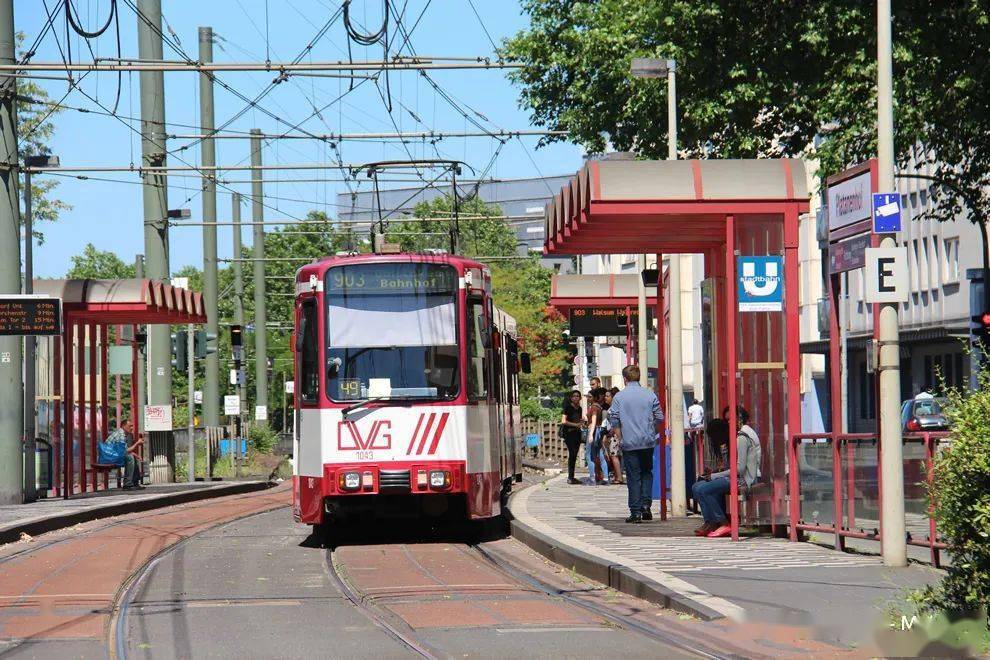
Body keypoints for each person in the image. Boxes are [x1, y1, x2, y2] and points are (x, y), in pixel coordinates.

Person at [691, 406, 761, 538]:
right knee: (697, 486)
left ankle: (723, 522)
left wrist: (715, 476)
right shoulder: (738, 435)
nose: (728, 423)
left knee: (705, 489)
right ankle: (711, 521)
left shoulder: (742, 437)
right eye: (727, 420)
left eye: (731, 419)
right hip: (738, 476)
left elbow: (740, 468)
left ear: (740, 418)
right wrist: (716, 473)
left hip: (745, 478)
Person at [608, 365, 664, 523]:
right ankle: (646, 506)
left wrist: (620, 437)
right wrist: (651, 429)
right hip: (647, 441)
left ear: (625, 379)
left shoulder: (619, 397)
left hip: (629, 442)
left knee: (633, 476)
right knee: (647, 472)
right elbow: (659, 416)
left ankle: (635, 511)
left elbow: (614, 419)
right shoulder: (649, 394)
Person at [585, 388, 609, 484]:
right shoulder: (599, 406)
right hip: (598, 431)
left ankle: (592, 478)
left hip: (593, 430)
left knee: (589, 455)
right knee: (600, 454)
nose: (588, 398)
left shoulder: (594, 407)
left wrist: (590, 434)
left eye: (590, 397)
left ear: (595, 397)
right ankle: (606, 478)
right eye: (588, 396)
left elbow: (594, 420)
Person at [560, 391, 585, 484]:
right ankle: (570, 477)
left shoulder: (580, 409)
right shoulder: (567, 408)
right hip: (569, 433)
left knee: (574, 454)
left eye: (578, 396)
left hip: (577, 434)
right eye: (574, 396)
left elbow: (578, 420)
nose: (576, 398)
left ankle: (572, 477)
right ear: (571, 398)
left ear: (580, 398)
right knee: (572, 453)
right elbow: (563, 421)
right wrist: (575, 424)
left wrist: (581, 422)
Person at [601, 390, 624, 484]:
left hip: (614, 435)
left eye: (607, 396)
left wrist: (610, 434)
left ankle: (619, 477)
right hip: (613, 434)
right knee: (614, 456)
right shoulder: (613, 408)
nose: (605, 397)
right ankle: (617, 475)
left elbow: (615, 423)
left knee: (614, 456)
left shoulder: (613, 409)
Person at [120, 419, 145, 490]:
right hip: (110, 456)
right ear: (123, 426)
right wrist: (137, 443)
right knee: (131, 457)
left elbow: (125, 450)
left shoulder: (126, 434)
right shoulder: (121, 435)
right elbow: (127, 450)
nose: (132, 428)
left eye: (132, 426)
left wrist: (136, 455)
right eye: (130, 426)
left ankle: (134, 482)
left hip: (117, 454)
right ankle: (128, 484)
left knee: (132, 457)